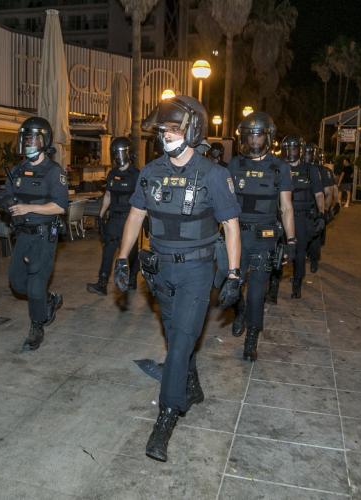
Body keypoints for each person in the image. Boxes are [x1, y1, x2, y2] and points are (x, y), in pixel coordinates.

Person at [113, 96, 241, 462]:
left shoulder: (213, 174)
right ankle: (192, 384)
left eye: (173, 129)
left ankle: (167, 415)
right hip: (160, 271)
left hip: (196, 271)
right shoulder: (151, 171)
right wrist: (122, 258)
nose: (165, 135)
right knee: (175, 336)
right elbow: (135, 216)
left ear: (193, 130)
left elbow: (231, 226)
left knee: (181, 341)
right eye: (163, 130)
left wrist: (234, 274)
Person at [228, 112, 296, 361]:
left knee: (257, 293)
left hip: (264, 238)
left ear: (268, 137)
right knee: (233, 286)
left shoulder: (280, 168)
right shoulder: (235, 164)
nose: (253, 140)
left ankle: (252, 338)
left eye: (258, 135)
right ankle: (240, 311)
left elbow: (286, 208)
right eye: (249, 135)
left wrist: (291, 241)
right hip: (236, 236)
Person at [0, 117, 67, 352]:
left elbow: (60, 206)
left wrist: (29, 208)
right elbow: (5, 194)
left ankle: (37, 326)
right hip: (22, 234)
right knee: (18, 283)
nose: (28, 144)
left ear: (44, 141)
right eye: (26, 139)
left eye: (33, 140)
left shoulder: (53, 172)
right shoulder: (17, 170)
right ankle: (49, 300)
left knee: (36, 285)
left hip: (44, 235)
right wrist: (9, 203)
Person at [86, 137, 139, 296]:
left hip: (130, 219)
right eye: (116, 153)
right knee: (108, 250)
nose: (118, 156)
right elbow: (108, 195)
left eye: (121, 152)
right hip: (114, 218)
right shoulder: (112, 173)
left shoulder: (136, 174)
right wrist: (101, 214)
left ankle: (132, 278)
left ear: (128, 153)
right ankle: (102, 283)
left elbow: (142, 199)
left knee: (131, 251)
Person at [281, 136, 325, 298]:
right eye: (288, 148)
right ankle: (273, 286)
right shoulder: (279, 168)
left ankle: (297, 282)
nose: (291, 152)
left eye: (294, 148)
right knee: (277, 251)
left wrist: (321, 214)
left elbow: (319, 194)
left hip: (301, 217)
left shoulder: (310, 170)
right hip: (281, 216)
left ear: (300, 150)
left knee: (299, 252)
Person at [304, 143, 334, 273]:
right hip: (300, 208)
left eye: (309, 153)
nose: (307, 156)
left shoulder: (323, 171)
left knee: (315, 238)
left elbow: (328, 193)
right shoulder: (298, 167)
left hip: (315, 208)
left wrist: (324, 211)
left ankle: (314, 260)